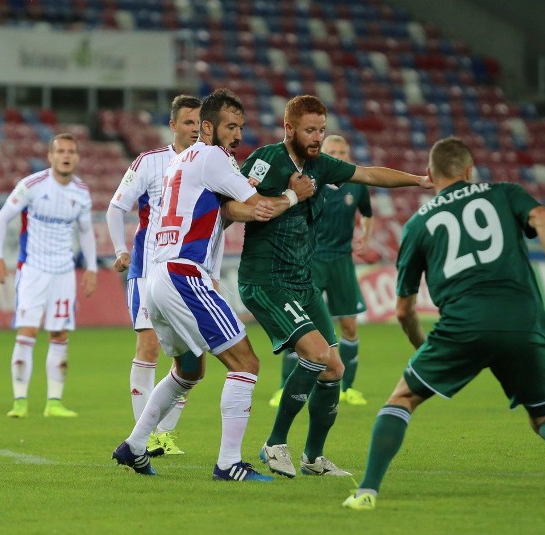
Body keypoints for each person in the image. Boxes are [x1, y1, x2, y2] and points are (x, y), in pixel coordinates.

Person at [341, 137, 545, 511]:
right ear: (468, 171)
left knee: (402, 399)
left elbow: (403, 310)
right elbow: (544, 218)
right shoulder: (505, 192)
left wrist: (420, 345)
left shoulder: (418, 225)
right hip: (523, 319)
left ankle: (367, 492)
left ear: (429, 174)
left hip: (463, 325)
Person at [111, 88, 315, 481]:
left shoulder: (182, 161)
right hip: (185, 275)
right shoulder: (213, 157)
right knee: (246, 363)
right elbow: (261, 207)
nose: (237, 136)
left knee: (188, 370)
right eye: (231, 127)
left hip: (157, 275)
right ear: (208, 127)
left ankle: (134, 446)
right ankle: (228, 463)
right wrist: (295, 193)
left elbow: (224, 210)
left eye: (241, 127)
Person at [238, 95, 432, 479]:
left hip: (301, 279)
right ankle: (274, 443)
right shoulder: (266, 160)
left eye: (321, 130)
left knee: (333, 368)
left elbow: (370, 174)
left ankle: (313, 457)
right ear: (289, 128)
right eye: (310, 130)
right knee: (316, 354)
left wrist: (419, 180)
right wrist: (291, 196)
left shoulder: (319, 165)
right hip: (266, 280)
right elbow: (233, 205)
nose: (317, 137)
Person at [106, 95, 202, 456]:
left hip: (189, 271)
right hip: (148, 268)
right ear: (173, 125)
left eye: (199, 123)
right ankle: (144, 437)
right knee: (148, 347)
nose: (194, 129)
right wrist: (120, 250)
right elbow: (116, 208)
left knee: (190, 353)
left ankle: (165, 433)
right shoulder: (150, 162)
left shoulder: (208, 163)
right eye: (188, 122)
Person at [0, 133, 98, 418]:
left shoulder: (81, 191)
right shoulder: (31, 186)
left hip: (63, 273)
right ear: (50, 156)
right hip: (33, 271)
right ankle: (20, 402)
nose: (66, 156)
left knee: (59, 334)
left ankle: (54, 402)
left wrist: (91, 267)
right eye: (60, 151)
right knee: (26, 332)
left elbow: (86, 232)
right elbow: (2, 219)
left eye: (71, 151)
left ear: (76, 157)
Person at [268, 134, 374, 408]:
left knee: (349, 325)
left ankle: (347, 388)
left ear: (348, 156)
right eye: (333, 151)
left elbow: (367, 214)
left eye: (342, 151)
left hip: (341, 262)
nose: (338, 155)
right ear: (322, 154)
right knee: (298, 326)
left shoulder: (358, 186)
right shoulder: (309, 182)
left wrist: (365, 235)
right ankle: (283, 387)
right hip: (309, 262)